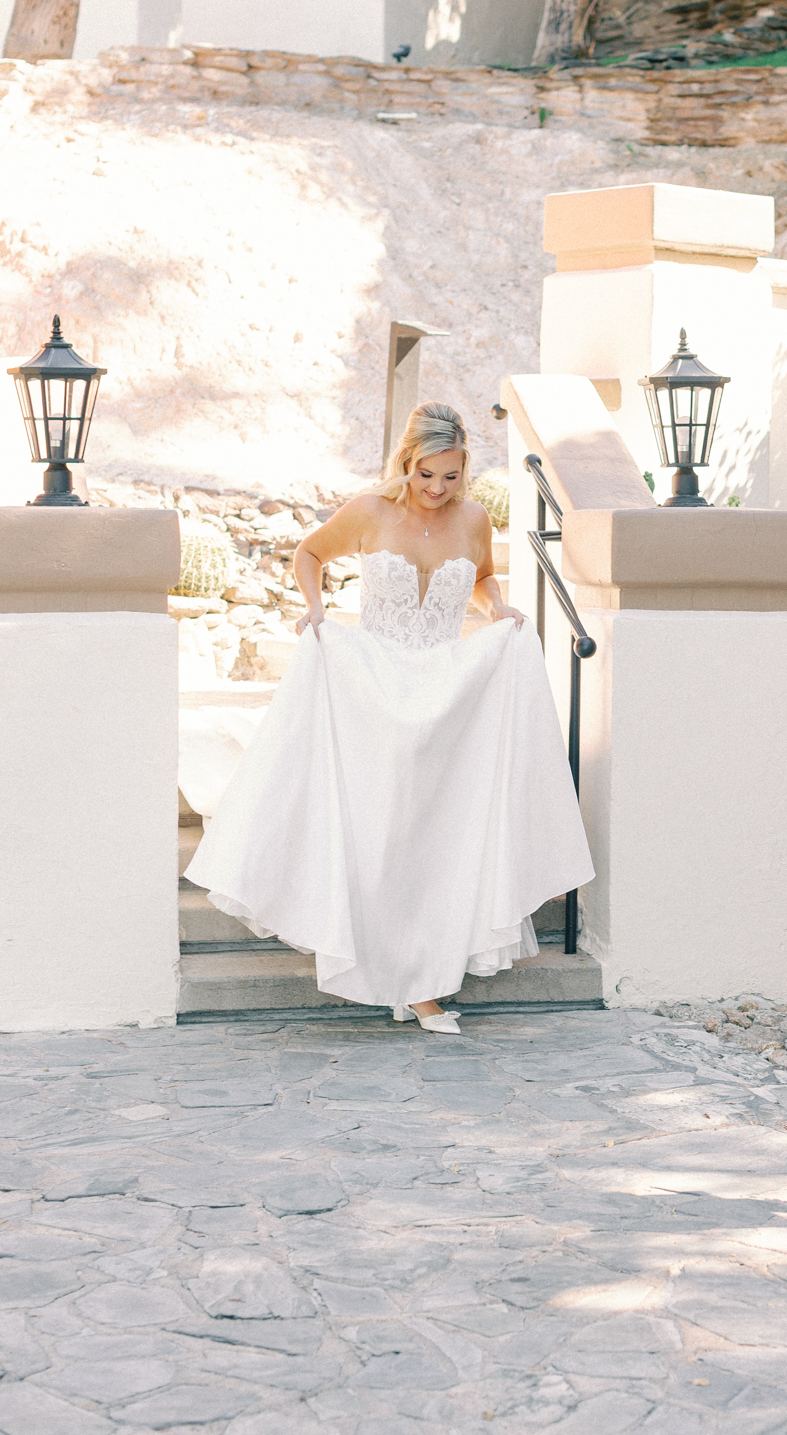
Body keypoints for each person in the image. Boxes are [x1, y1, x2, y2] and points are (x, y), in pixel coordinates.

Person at [185, 401, 594, 1035]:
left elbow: (482, 580)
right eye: (427, 475)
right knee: (378, 832)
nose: (437, 490)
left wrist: (499, 611)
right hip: (371, 686)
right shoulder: (370, 512)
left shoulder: (476, 519)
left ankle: (422, 982)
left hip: (445, 693)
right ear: (407, 464)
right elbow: (308, 554)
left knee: (436, 835)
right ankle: (395, 973)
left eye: (451, 477)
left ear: (465, 471)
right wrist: (316, 608)